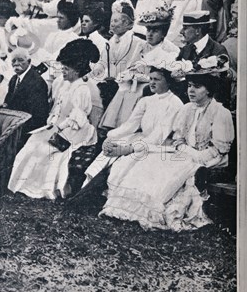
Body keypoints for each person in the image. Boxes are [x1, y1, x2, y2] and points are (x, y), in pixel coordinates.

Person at [99, 57, 234, 231]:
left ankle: (154, 210)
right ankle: (130, 208)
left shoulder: (220, 113)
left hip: (210, 157)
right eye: (189, 86)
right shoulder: (187, 109)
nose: (191, 91)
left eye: (197, 87)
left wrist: (195, 155)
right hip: (183, 152)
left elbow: (220, 149)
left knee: (173, 169)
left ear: (209, 91)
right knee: (150, 162)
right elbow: (178, 137)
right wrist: (182, 148)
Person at [8, 39, 99, 199]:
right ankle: (19, 184)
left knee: (45, 150)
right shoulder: (65, 85)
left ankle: (42, 188)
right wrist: (51, 123)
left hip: (75, 130)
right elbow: (57, 109)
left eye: (65, 69)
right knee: (33, 142)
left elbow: (77, 119)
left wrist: (58, 128)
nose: (62, 72)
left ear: (76, 70)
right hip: (60, 125)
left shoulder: (82, 89)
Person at [82, 55, 184, 187]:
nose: (152, 83)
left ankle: (103, 192)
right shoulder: (146, 101)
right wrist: (110, 137)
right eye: (151, 79)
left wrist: (127, 149)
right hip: (142, 138)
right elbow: (130, 126)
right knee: (106, 153)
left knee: (125, 162)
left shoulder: (175, 103)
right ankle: (87, 189)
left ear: (169, 82)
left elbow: (158, 136)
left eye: (157, 80)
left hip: (160, 145)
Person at [100, 3, 179, 129]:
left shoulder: (170, 49)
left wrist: (143, 77)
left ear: (163, 33)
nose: (150, 34)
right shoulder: (141, 45)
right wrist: (130, 74)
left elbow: (167, 72)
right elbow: (133, 65)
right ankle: (114, 124)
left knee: (138, 92)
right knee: (124, 88)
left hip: (156, 82)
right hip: (137, 80)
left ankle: (130, 126)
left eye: (155, 31)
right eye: (148, 30)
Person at [2, 47, 50, 140]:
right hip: (14, 124)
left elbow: (38, 115)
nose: (16, 63)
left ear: (29, 61)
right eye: (13, 61)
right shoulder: (14, 79)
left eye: (20, 60)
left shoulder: (37, 82)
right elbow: (8, 101)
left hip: (27, 130)